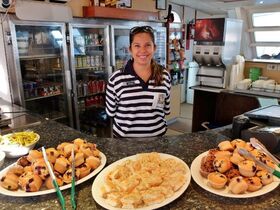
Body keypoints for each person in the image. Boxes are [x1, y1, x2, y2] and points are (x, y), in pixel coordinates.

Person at [106, 26, 171, 138]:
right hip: (125, 143)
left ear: (154, 48)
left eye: (147, 45)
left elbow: (165, 109)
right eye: (137, 46)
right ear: (130, 49)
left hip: (157, 141)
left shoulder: (164, 75)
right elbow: (111, 113)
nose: (143, 50)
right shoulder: (116, 79)